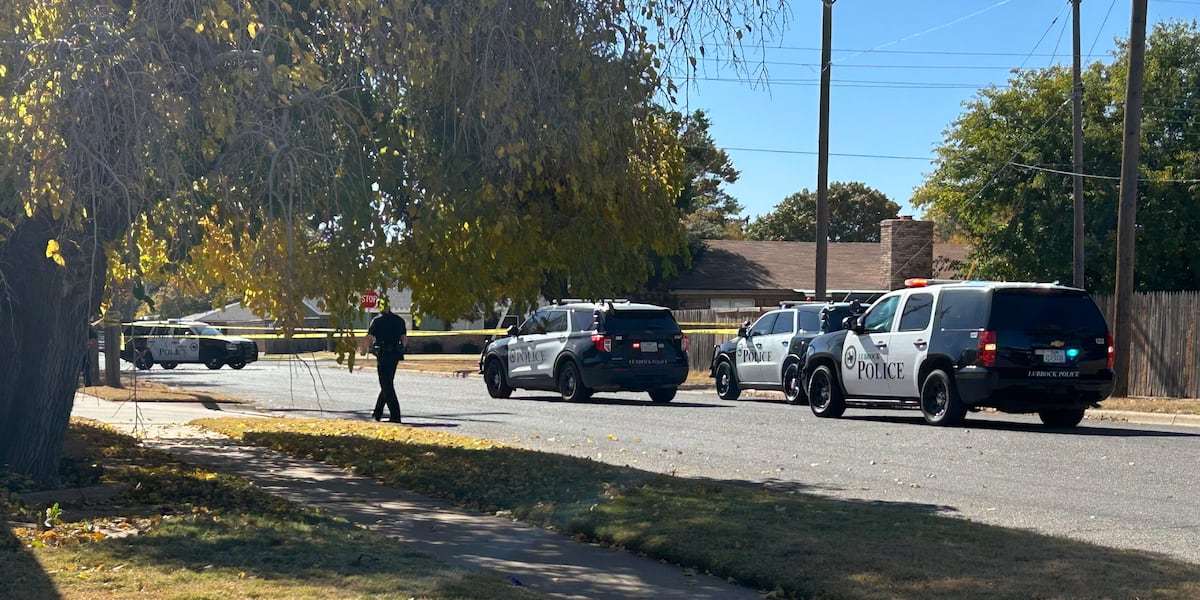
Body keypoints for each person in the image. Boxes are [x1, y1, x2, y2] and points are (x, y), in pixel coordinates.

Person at [359, 297, 408, 423]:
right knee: (387, 383)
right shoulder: (399, 320)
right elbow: (404, 339)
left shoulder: (377, 321)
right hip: (395, 355)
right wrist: (401, 350)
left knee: (386, 384)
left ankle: (395, 415)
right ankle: (378, 412)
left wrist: (363, 350)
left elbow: (369, 338)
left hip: (383, 354)